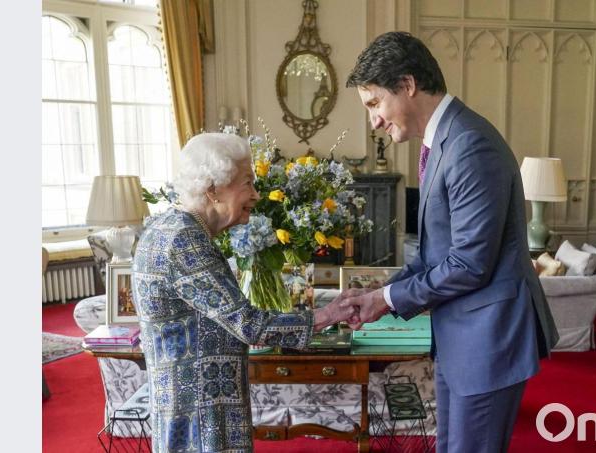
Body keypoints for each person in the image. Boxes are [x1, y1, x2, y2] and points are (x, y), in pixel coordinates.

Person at [341, 32, 559, 453]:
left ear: (407, 85)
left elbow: (468, 265)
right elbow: (433, 255)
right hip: (462, 336)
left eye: (374, 104)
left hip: (488, 340)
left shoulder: (470, 145)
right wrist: (378, 291)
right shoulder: (444, 141)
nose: (374, 122)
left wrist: (386, 299)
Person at [131, 133, 354, 453]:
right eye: (247, 183)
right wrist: (326, 315)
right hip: (201, 416)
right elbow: (248, 324)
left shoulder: (166, 227)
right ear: (212, 189)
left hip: (187, 405)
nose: (256, 194)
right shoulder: (184, 240)